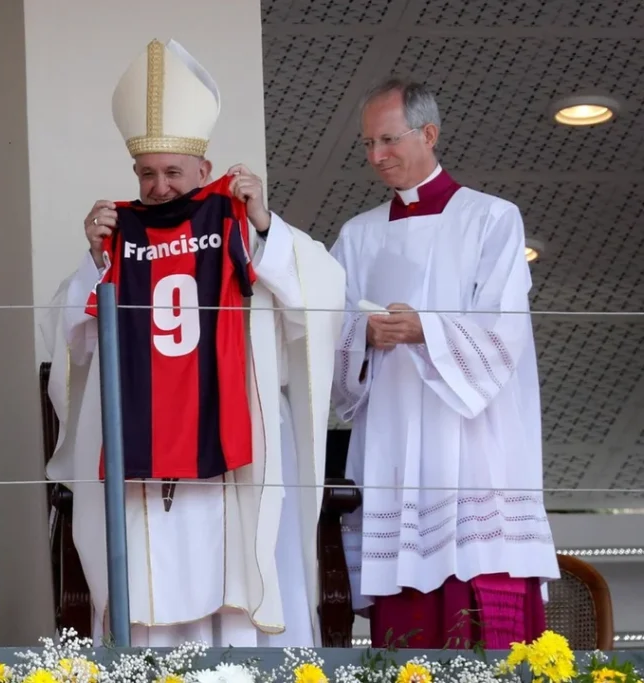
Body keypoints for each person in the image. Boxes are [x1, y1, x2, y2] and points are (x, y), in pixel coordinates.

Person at [40, 38, 346, 648]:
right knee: (148, 602)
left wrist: (263, 227)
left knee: (231, 598)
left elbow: (322, 293)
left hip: (229, 444)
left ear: (205, 172)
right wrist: (95, 260)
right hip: (144, 455)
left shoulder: (241, 222)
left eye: (172, 173)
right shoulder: (115, 239)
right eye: (146, 174)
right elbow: (64, 335)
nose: (158, 187)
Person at [330, 76, 559, 649]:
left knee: (484, 618)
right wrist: (361, 334)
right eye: (367, 145)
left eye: (388, 141)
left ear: (428, 134)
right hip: (394, 451)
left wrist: (425, 329)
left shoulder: (491, 219)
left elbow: (504, 332)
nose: (376, 156)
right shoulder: (356, 236)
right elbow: (321, 326)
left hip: (476, 451)